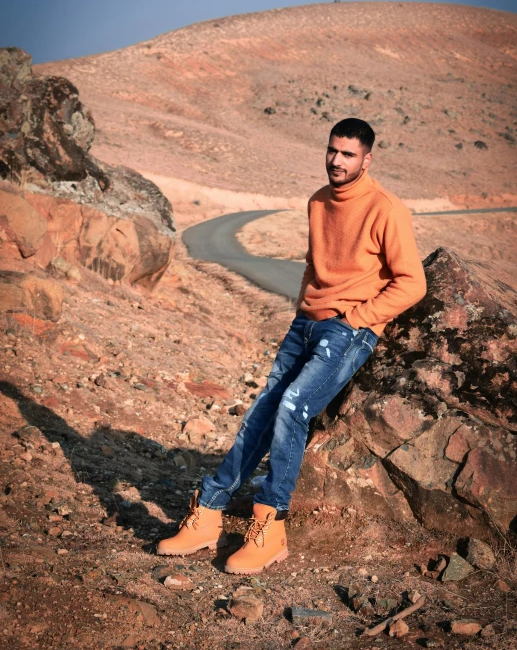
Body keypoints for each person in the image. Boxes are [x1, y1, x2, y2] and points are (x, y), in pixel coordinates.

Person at [157, 118, 427, 574]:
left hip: (349, 330)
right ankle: (208, 513)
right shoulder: (318, 202)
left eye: (348, 154)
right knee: (263, 409)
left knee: (293, 407)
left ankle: (270, 527)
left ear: (367, 159)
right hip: (306, 323)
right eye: (332, 151)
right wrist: (305, 305)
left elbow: (412, 283)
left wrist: (356, 318)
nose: (337, 161)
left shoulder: (386, 209)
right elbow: (312, 263)